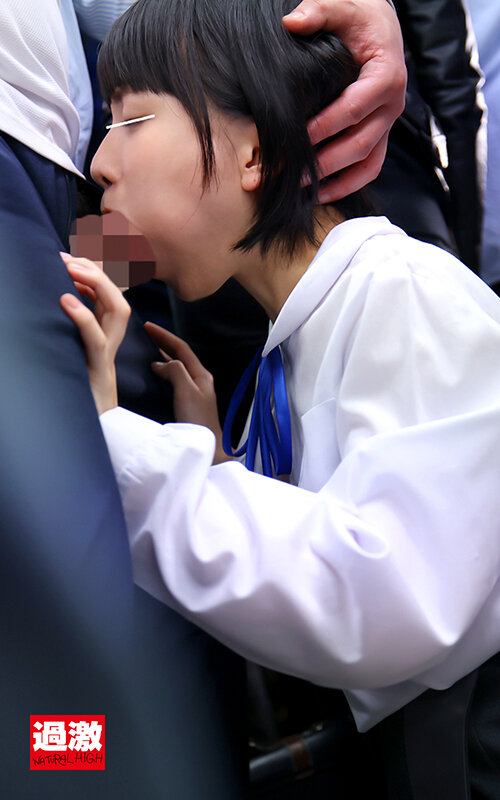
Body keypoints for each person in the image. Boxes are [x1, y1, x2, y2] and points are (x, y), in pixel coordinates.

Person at [61, 0, 500, 796]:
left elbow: (387, 602)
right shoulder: (292, 339)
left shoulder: (403, 289)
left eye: (129, 122)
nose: (99, 163)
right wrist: (215, 460)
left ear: (255, 152)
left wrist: (128, 450)